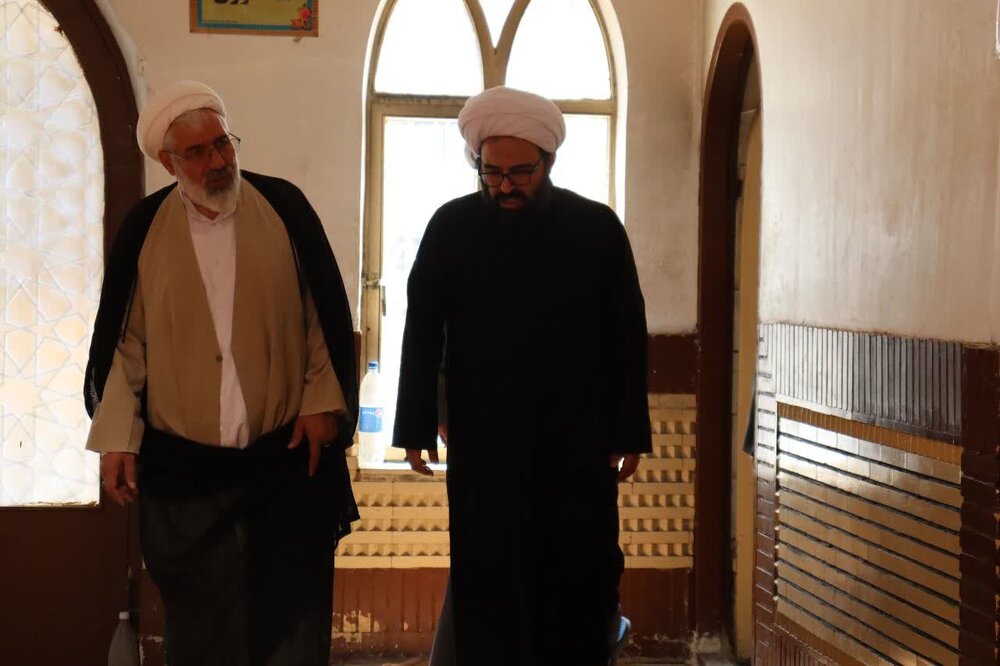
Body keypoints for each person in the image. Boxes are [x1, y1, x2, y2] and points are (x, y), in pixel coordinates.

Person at [83, 80, 359, 665]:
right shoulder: (145, 229)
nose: (218, 161)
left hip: (282, 461)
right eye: (198, 152)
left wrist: (321, 401)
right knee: (204, 629)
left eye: (222, 143)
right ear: (168, 163)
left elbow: (321, 317)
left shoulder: (283, 207)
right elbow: (125, 345)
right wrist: (117, 439)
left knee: (288, 621)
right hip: (187, 473)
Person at [392, 86, 651, 666]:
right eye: (492, 173)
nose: (505, 186)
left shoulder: (597, 228)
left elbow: (626, 336)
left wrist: (628, 431)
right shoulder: (451, 227)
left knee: (579, 577)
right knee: (490, 582)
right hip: (485, 447)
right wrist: (415, 427)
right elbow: (422, 330)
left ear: (548, 162)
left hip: (576, 444)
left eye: (520, 173)